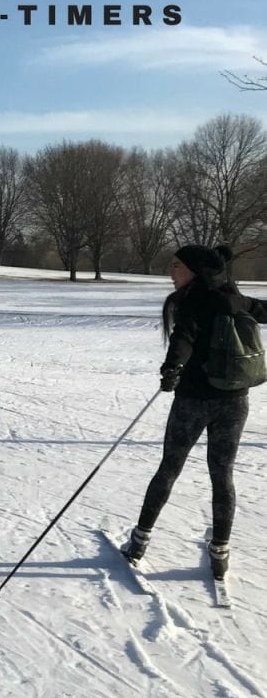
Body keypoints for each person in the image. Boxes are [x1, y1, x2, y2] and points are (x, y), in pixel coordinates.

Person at [121, 243, 267, 579]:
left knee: (170, 467)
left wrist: (173, 368)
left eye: (176, 266)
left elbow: (183, 337)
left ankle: (139, 542)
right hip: (234, 401)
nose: (171, 273)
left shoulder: (191, 301)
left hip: (193, 401)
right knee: (222, 474)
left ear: (195, 270)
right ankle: (220, 552)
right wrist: (244, 304)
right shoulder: (231, 294)